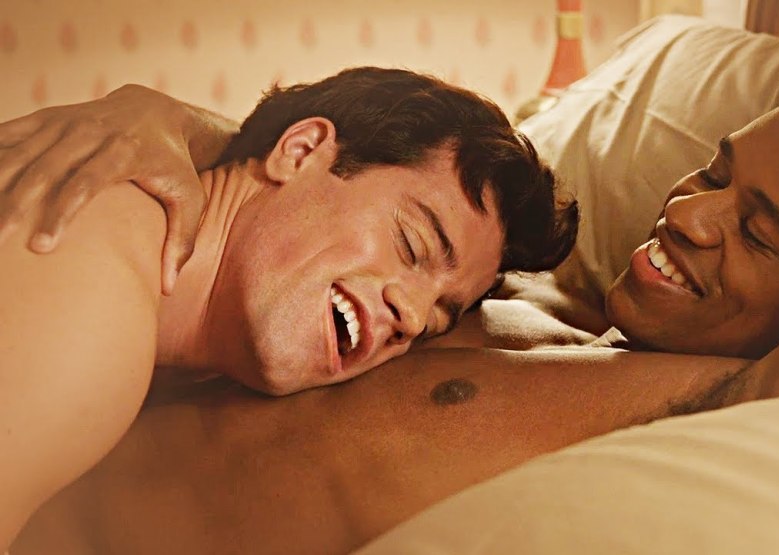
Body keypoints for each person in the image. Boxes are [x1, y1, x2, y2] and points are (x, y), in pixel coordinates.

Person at [5, 68, 779, 554]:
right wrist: (159, 117)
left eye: (758, 232)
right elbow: (317, 182)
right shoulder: (504, 289)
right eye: (712, 172)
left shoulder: (732, 399)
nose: (689, 213)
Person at [0, 66, 578, 550]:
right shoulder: (90, 296)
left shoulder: (161, 326)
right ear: (299, 152)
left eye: (433, 320)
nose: (410, 315)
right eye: (412, 244)